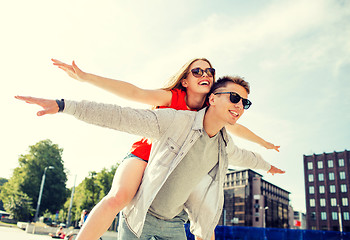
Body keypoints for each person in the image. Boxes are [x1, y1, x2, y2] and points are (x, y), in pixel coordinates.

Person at [15, 75, 285, 240]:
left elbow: (247, 157)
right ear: (212, 98)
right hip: (140, 220)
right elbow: (121, 115)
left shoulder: (225, 146)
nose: (240, 106)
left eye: (245, 103)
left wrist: (268, 166)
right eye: (235, 98)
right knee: (116, 197)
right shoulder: (175, 119)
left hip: (175, 225)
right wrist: (65, 105)